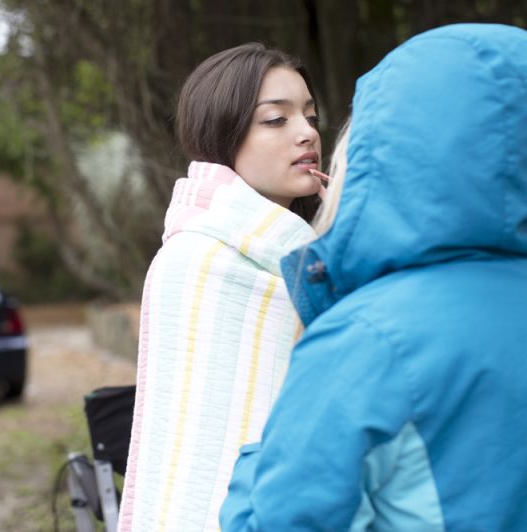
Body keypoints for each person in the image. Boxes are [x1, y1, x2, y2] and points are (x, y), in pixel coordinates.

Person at [220, 23, 527, 531]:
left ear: (387, 148)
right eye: (276, 118)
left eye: (321, 120)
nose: (312, 135)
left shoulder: (366, 341)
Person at [118, 43, 327, 531]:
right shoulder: (194, 260)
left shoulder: (306, 253)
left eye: (310, 115)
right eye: (276, 119)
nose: (307, 132)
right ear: (223, 133)